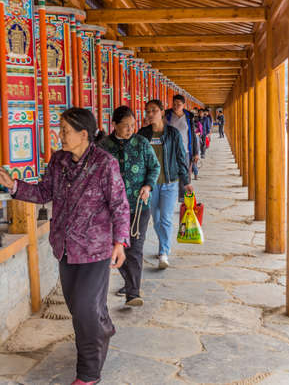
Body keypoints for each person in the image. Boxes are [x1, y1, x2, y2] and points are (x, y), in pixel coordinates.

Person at [0, 107, 130, 385]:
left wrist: (120, 241)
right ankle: (103, 328)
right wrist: (14, 187)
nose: (60, 135)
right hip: (64, 248)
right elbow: (44, 192)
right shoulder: (58, 161)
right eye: (60, 130)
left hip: (95, 249)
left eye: (65, 131)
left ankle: (88, 373)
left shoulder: (105, 163)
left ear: (84, 134)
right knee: (81, 308)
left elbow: (119, 205)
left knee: (85, 310)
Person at [99, 106, 160, 307]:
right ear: (114, 124)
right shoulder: (103, 146)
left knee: (135, 248)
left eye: (133, 126)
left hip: (138, 206)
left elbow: (155, 166)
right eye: (126, 126)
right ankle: (129, 282)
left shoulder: (141, 143)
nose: (130, 130)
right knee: (115, 247)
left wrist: (148, 186)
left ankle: (133, 293)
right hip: (111, 209)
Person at [139, 99, 194, 269]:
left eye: (154, 110)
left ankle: (164, 252)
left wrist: (186, 181)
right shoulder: (143, 134)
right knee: (155, 220)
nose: (150, 114)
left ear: (162, 112)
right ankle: (163, 245)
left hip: (170, 183)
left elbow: (180, 158)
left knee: (166, 218)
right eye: (147, 111)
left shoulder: (173, 134)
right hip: (151, 185)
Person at [165, 94, 199, 200]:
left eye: (179, 104)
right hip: (170, 150)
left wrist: (196, 152)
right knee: (170, 172)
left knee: (185, 173)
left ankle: (183, 196)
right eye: (174, 104)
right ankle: (171, 195)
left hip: (185, 149)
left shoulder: (188, 117)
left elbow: (193, 135)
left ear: (184, 105)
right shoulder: (167, 115)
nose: (176, 106)